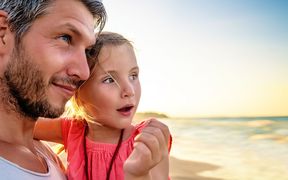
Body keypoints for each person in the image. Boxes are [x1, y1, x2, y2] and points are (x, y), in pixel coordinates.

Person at [34, 32, 172, 180]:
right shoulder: (73, 131)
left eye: (133, 76)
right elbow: (18, 127)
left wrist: (138, 175)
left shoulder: (146, 141)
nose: (129, 91)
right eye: (109, 80)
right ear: (77, 92)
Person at [0, 0, 106, 179]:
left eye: (87, 51)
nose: (84, 72)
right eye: (65, 38)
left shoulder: (49, 159)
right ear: (3, 34)